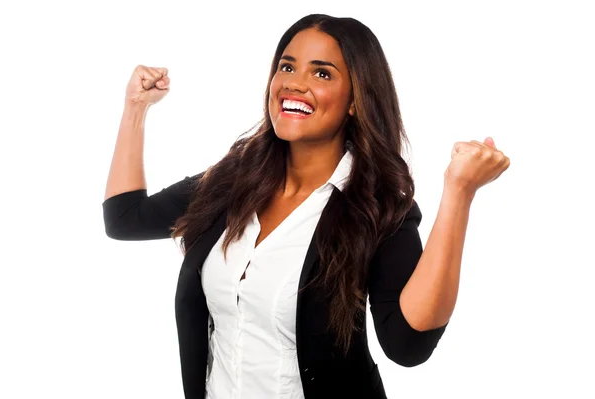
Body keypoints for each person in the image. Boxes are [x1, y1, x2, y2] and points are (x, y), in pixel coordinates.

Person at [102, 13, 510, 399]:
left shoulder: (375, 206)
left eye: (321, 73)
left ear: (355, 99)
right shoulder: (230, 183)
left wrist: (459, 192)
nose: (294, 83)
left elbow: (408, 345)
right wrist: (135, 109)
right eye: (286, 66)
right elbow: (124, 219)